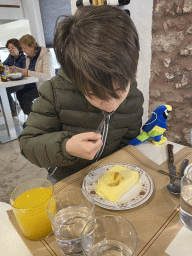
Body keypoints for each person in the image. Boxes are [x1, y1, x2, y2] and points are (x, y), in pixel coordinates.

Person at [18, 5, 144, 184]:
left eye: (118, 91)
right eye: (94, 94)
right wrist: (66, 147)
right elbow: (28, 144)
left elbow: (127, 145)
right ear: (76, 77)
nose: (110, 106)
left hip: (107, 179)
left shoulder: (134, 99)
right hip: (66, 180)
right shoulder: (55, 92)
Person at [12, 34, 54, 117]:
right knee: (19, 93)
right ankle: (31, 117)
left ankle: (34, 119)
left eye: (25, 48)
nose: (23, 51)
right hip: (33, 85)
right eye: (22, 48)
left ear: (32, 46)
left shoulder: (46, 55)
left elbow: (47, 76)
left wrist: (29, 73)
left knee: (25, 96)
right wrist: (16, 69)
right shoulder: (28, 57)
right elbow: (28, 72)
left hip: (45, 86)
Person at [3, 38, 26, 116]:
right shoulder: (10, 57)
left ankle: (13, 111)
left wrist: (15, 70)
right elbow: (3, 65)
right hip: (12, 81)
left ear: (18, 48)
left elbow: (25, 71)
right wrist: (4, 67)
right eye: (9, 48)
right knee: (2, 89)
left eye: (12, 48)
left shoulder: (23, 58)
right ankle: (11, 107)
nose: (10, 50)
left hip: (22, 82)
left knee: (4, 90)